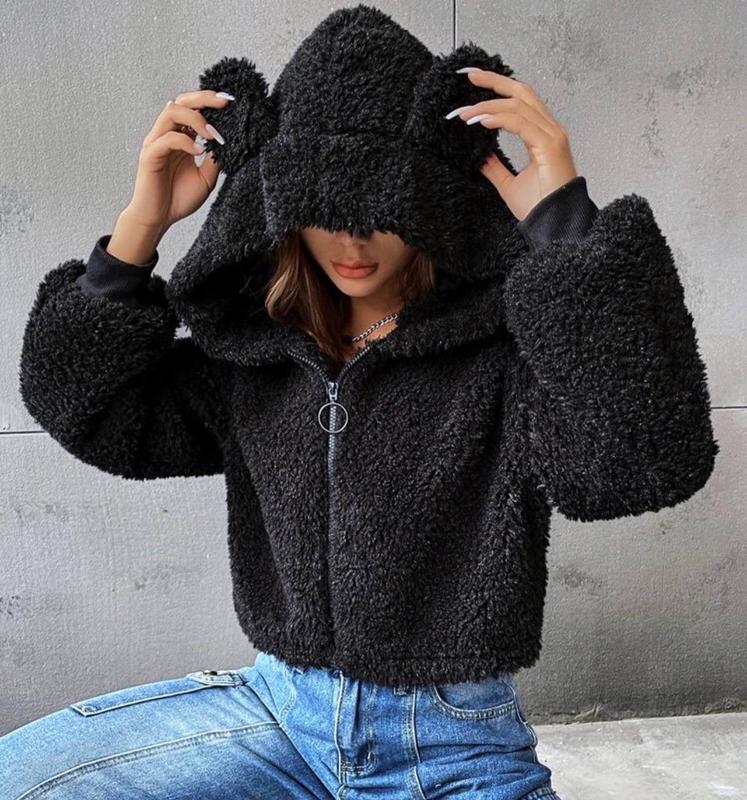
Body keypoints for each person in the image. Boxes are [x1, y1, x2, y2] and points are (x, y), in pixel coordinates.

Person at [6, 4, 718, 799]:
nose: (352, 244)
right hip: (277, 714)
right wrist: (139, 229)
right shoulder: (250, 357)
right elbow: (86, 410)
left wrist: (568, 231)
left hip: (452, 741)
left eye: (380, 213)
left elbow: (644, 464)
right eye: (323, 215)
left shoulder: (504, 356)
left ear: (429, 202)